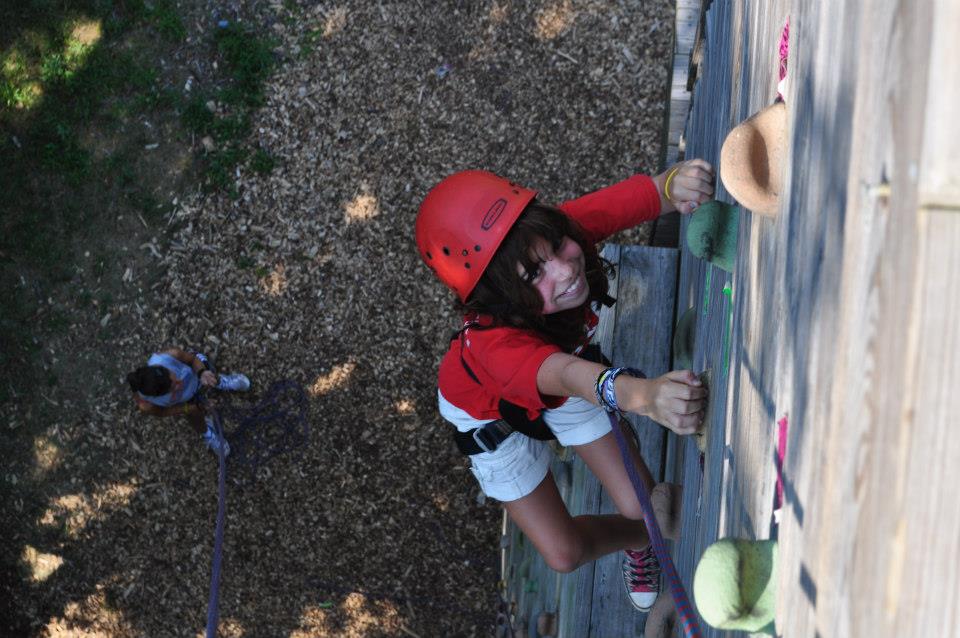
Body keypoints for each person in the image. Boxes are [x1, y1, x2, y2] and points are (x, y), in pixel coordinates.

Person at [415, 161, 713, 611]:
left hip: (563, 379)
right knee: (563, 554)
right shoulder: (495, 349)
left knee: (645, 504)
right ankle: (641, 540)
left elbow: (648, 195)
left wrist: (677, 186)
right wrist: (645, 396)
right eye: (534, 275)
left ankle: (644, 528)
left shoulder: (553, 241)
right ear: (498, 296)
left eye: (557, 246)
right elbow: (567, 375)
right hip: (490, 422)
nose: (564, 269)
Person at [127, 348, 251, 456]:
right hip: (184, 400)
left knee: (209, 373)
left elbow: (192, 360)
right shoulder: (145, 404)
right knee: (193, 415)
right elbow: (163, 411)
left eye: (174, 378)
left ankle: (222, 381)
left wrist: (202, 372)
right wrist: (192, 407)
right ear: (157, 396)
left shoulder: (169, 356)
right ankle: (207, 434)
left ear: (164, 369)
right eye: (172, 389)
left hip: (196, 377)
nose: (179, 385)